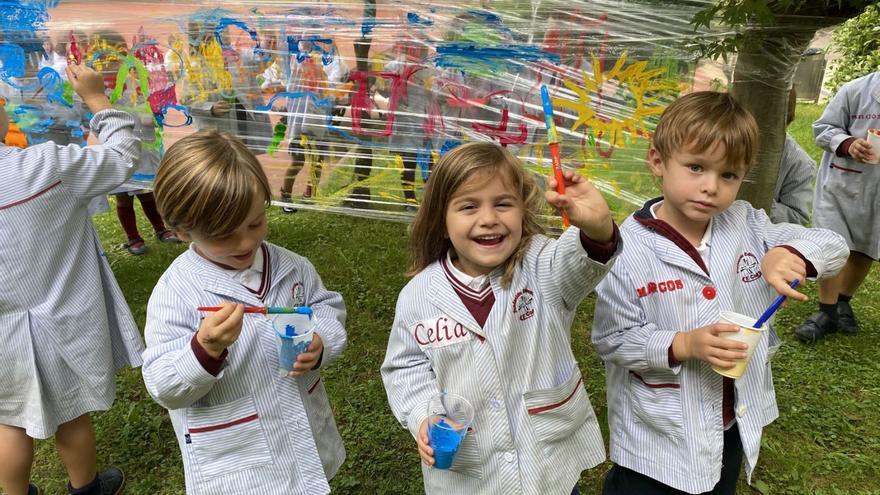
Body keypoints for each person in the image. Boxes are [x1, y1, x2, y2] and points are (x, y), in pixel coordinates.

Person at [591, 91, 849, 495]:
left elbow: (834, 244)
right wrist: (684, 343)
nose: (710, 187)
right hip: (657, 437)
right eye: (696, 167)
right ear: (658, 161)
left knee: (718, 485)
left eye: (728, 175)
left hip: (731, 421)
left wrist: (788, 252)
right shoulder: (626, 249)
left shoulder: (748, 224)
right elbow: (612, 340)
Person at [381, 141, 620, 494]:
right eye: (468, 206)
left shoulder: (542, 266)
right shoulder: (418, 296)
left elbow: (582, 263)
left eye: (503, 204)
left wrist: (598, 229)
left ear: (522, 211)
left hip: (546, 466)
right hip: (471, 472)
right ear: (442, 222)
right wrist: (423, 413)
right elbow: (406, 369)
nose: (489, 218)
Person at [142, 129, 348, 494]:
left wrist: (321, 339)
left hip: (301, 427)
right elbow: (163, 384)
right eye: (223, 234)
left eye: (255, 223)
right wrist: (203, 349)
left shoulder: (292, 267)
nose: (247, 242)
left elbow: (326, 306)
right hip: (237, 458)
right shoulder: (177, 292)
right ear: (182, 230)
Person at [0, 63, 143, 495]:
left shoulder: (47, 166)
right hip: (60, 317)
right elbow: (123, 157)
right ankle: (86, 489)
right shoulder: (44, 166)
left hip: (2, 333)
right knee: (71, 413)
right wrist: (97, 99)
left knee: (8, 418)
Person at [794, 70, 880, 342]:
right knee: (832, 243)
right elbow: (823, 129)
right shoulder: (855, 90)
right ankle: (827, 310)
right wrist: (848, 143)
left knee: (867, 246)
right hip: (842, 185)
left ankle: (843, 301)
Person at [88, 30, 179, 255]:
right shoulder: (98, 84)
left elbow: (146, 98)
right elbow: (95, 113)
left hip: (142, 141)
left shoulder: (133, 74)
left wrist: (152, 114)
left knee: (147, 190)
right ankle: (133, 237)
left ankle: (160, 228)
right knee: (123, 196)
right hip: (116, 142)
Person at [770, 89, 817, 226]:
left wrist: (759, 200)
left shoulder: (799, 163)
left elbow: (797, 217)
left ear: (787, 123)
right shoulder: (717, 144)